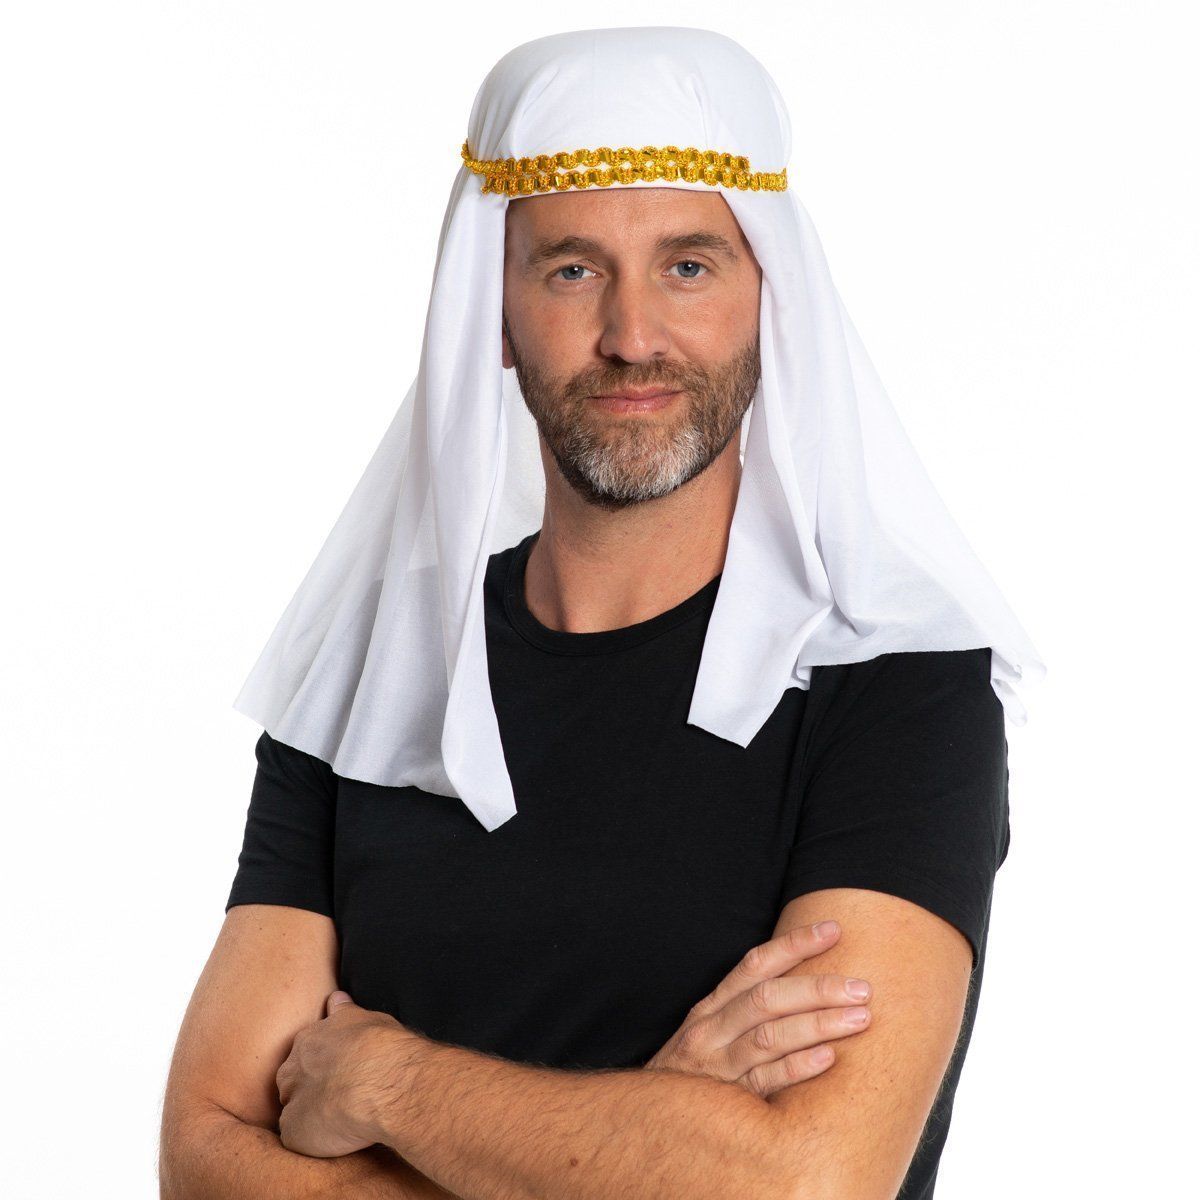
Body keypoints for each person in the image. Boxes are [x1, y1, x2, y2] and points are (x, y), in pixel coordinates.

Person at [160, 26, 1045, 1200]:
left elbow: (807, 1184)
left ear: (771, 299)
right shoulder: (380, 666)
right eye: (573, 270)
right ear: (494, 313)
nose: (632, 337)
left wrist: (390, 1086)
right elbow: (201, 1160)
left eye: (689, 267)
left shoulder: (897, 683)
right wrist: (648, 1143)